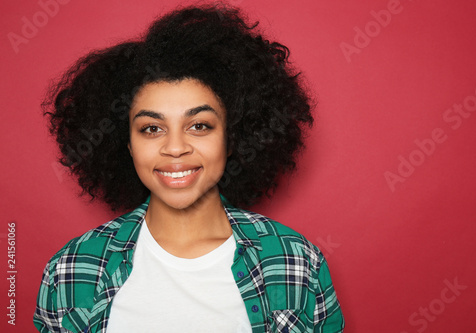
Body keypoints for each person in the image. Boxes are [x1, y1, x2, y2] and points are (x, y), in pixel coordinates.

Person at [34, 4, 344, 332]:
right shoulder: (70, 269)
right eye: (151, 128)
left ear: (232, 137)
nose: (175, 147)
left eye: (199, 125)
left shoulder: (295, 262)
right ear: (126, 144)